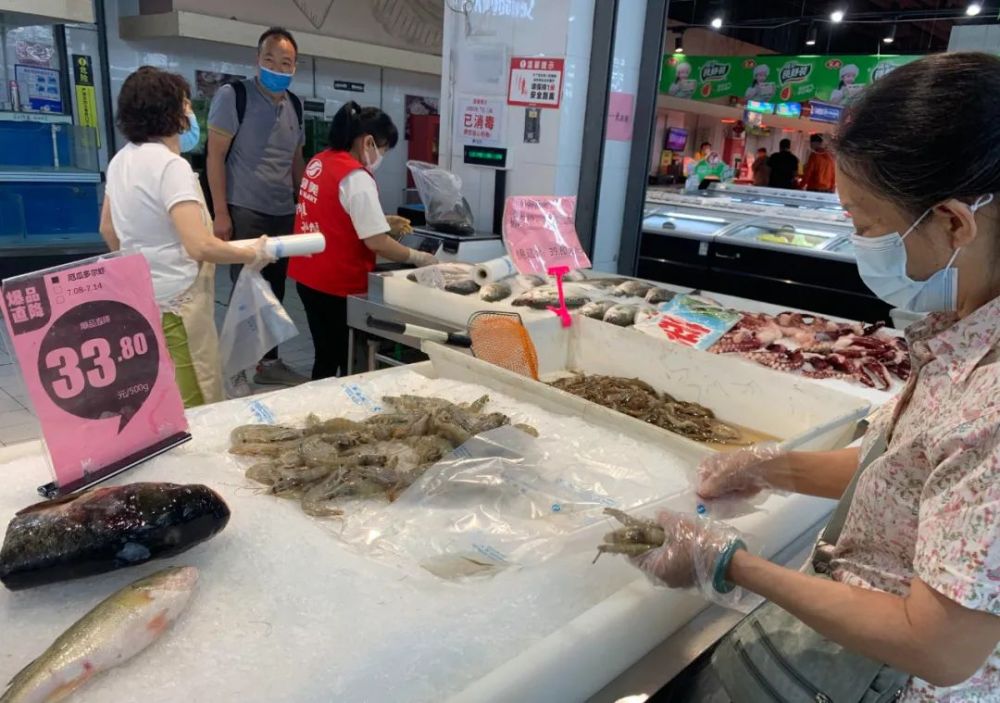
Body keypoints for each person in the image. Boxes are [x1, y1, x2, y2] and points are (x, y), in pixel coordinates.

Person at [625, 53, 1000, 702]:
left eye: (865, 224)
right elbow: (907, 471)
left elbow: (939, 647)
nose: (858, 243)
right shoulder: (964, 329)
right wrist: (771, 467)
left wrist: (729, 563)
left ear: (952, 223)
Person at [100, 67, 273, 409]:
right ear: (169, 111)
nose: (190, 112)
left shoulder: (121, 160)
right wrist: (253, 252)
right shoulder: (170, 166)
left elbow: (107, 228)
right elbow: (199, 245)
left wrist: (144, 266)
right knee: (196, 396)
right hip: (179, 304)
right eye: (186, 104)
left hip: (143, 299)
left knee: (161, 390)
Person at [288, 103, 438, 381]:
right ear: (368, 142)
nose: (381, 157)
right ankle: (345, 399)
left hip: (307, 276)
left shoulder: (320, 161)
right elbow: (377, 243)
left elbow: (332, 211)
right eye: (383, 149)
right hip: (337, 285)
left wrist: (381, 220)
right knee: (345, 359)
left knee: (324, 356)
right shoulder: (356, 177)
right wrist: (419, 258)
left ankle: (317, 399)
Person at [207, 26, 307, 394]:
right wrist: (221, 213)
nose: (277, 68)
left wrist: (304, 206)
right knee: (245, 292)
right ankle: (236, 368)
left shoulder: (295, 104)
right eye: (270, 60)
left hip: (282, 211)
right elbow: (214, 156)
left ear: (295, 67)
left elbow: (296, 161)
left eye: (286, 63)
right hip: (245, 209)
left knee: (275, 292)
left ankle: (268, 364)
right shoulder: (234, 96)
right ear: (257, 59)